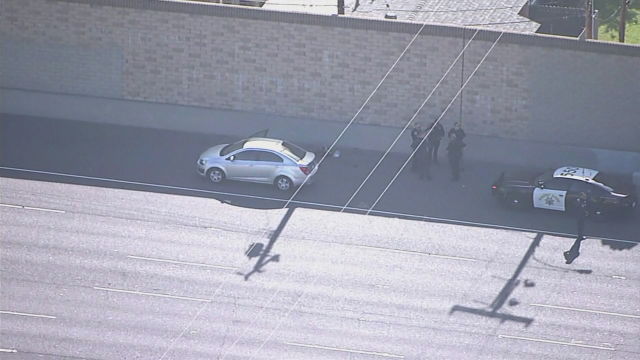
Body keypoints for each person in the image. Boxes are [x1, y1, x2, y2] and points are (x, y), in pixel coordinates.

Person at [563, 192, 590, 264]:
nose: (585, 197)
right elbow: (565, 253)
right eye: (584, 196)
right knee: (580, 226)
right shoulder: (578, 201)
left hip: (582, 215)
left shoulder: (584, 201)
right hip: (579, 215)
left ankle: (580, 236)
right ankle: (579, 236)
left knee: (582, 226)